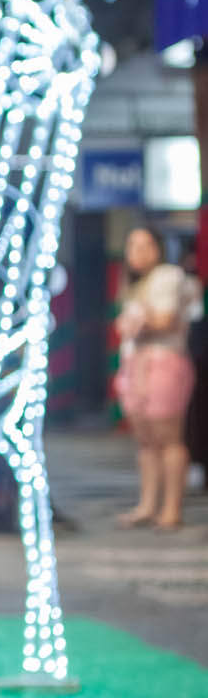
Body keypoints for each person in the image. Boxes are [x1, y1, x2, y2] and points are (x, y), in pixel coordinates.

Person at [114, 224, 202, 532]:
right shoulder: (134, 283)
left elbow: (165, 320)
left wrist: (139, 323)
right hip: (135, 364)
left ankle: (171, 510)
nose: (137, 253)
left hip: (163, 362)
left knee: (168, 438)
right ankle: (148, 505)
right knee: (145, 440)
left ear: (159, 249)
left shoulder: (168, 276)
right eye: (132, 246)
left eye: (145, 245)